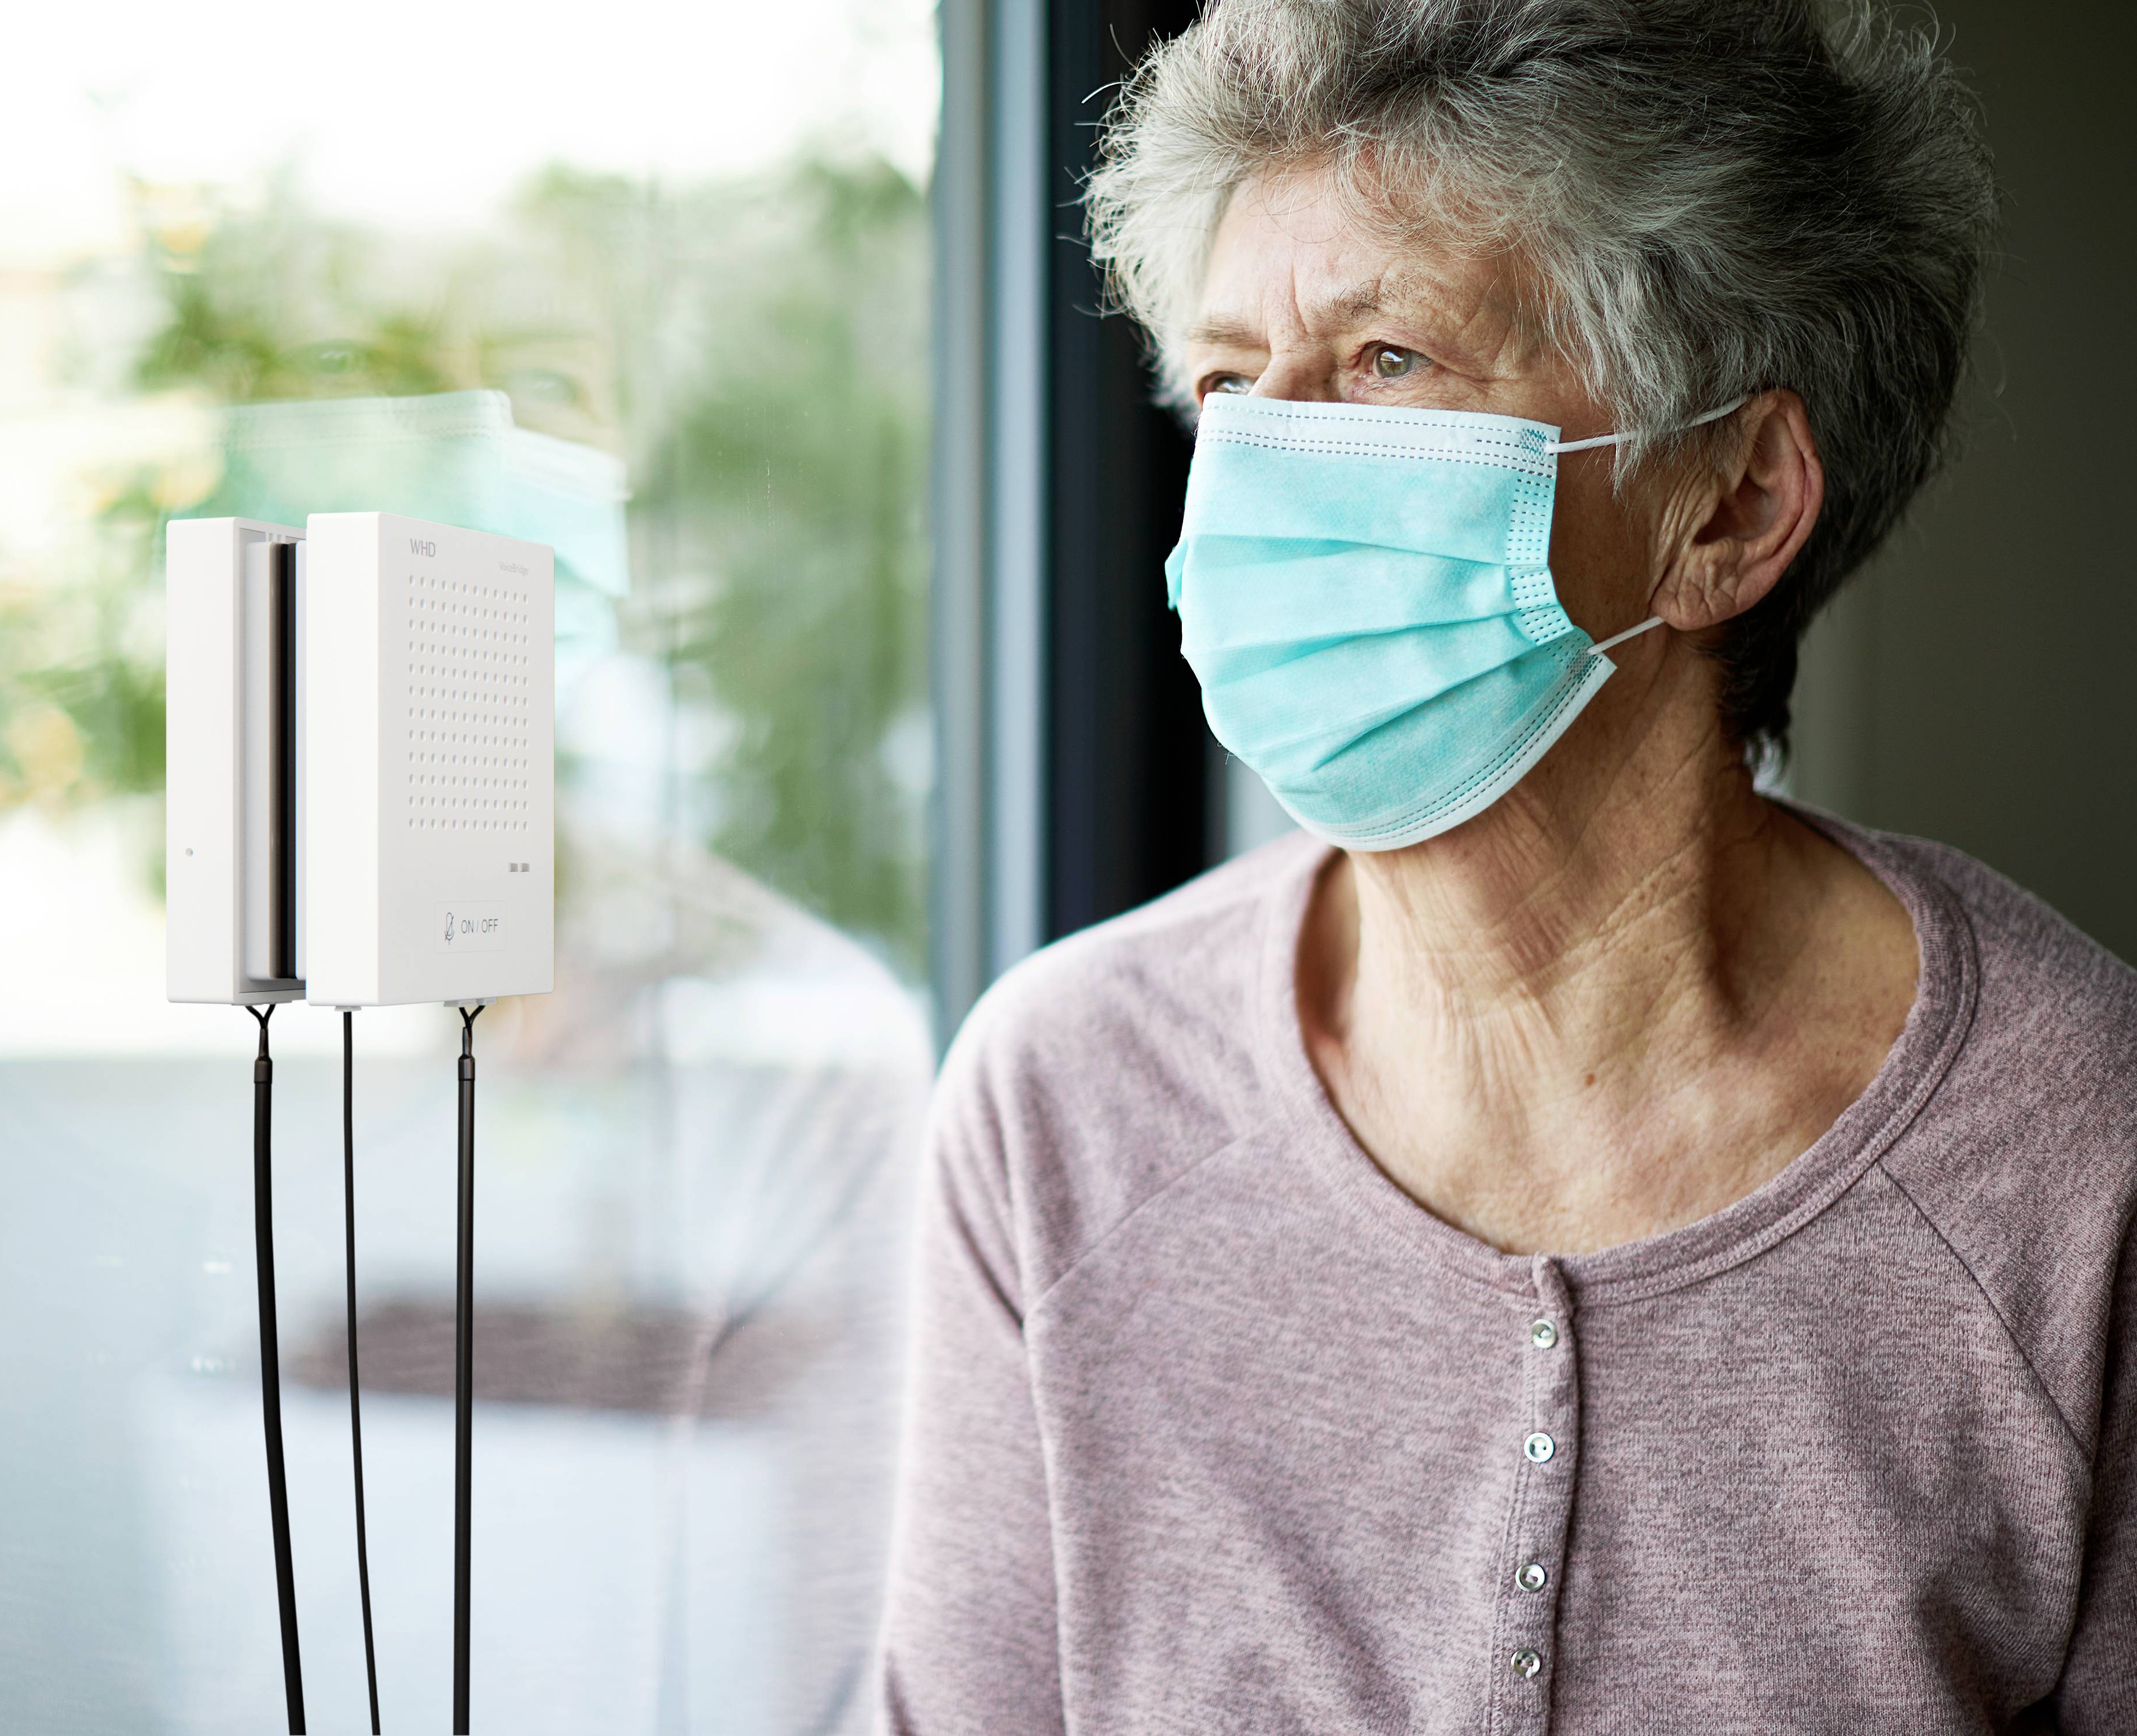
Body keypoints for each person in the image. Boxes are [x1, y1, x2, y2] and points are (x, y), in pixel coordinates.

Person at [876, 1, 2137, 1730]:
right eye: (1232, 383)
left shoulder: (2083, 1156)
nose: (1259, 471)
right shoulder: (1065, 1101)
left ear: (1733, 504)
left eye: (1389, 362)